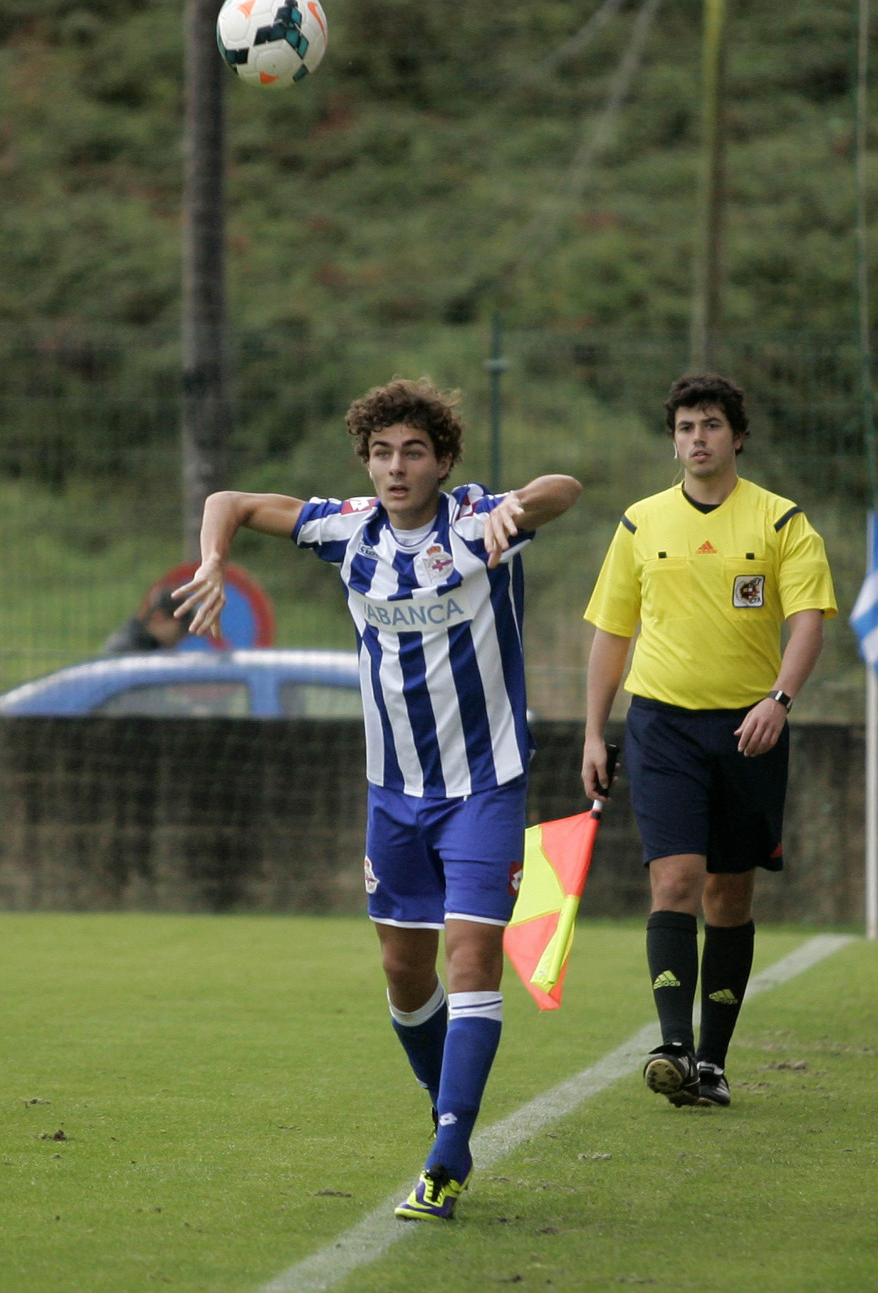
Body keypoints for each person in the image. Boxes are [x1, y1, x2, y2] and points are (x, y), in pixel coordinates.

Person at [173, 376, 582, 1218]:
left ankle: (445, 1156)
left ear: (443, 462)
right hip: (392, 793)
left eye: (414, 452)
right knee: (404, 973)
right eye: (382, 453)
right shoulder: (346, 530)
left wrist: (519, 509)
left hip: (485, 785)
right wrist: (214, 556)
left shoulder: (475, 521)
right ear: (367, 461)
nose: (397, 468)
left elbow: (562, 490)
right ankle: (451, 1115)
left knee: (471, 958)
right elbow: (230, 498)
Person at [581, 373, 837, 1109]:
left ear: (738, 436)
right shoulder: (639, 524)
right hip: (660, 725)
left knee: (729, 892)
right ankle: (673, 1047)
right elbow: (611, 634)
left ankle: (714, 1062)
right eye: (687, 426)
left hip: (749, 729)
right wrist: (595, 734)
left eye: (712, 425)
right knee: (676, 880)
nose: (698, 438)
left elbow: (809, 619)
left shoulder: (782, 523)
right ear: (674, 439)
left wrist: (779, 700)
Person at [101, 587, 192, 655]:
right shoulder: (129, 651)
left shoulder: (144, 643)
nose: (181, 638)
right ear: (159, 618)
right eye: (181, 631)